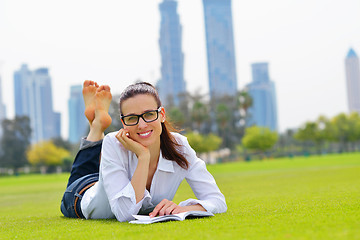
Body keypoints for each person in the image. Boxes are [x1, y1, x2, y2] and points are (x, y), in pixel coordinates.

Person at [60, 80, 227, 222]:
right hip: (81, 194)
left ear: (161, 114)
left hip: (108, 179)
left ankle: (95, 124)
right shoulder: (113, 142)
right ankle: (96, 127)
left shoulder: (180, 146)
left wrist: (183, 208)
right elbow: (124, 214)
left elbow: (218, 201)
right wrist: (143, 157)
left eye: (148, 115)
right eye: (132, 118)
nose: (141, 125)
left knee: (101, 177)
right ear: (123, 122)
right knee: (80, 175)